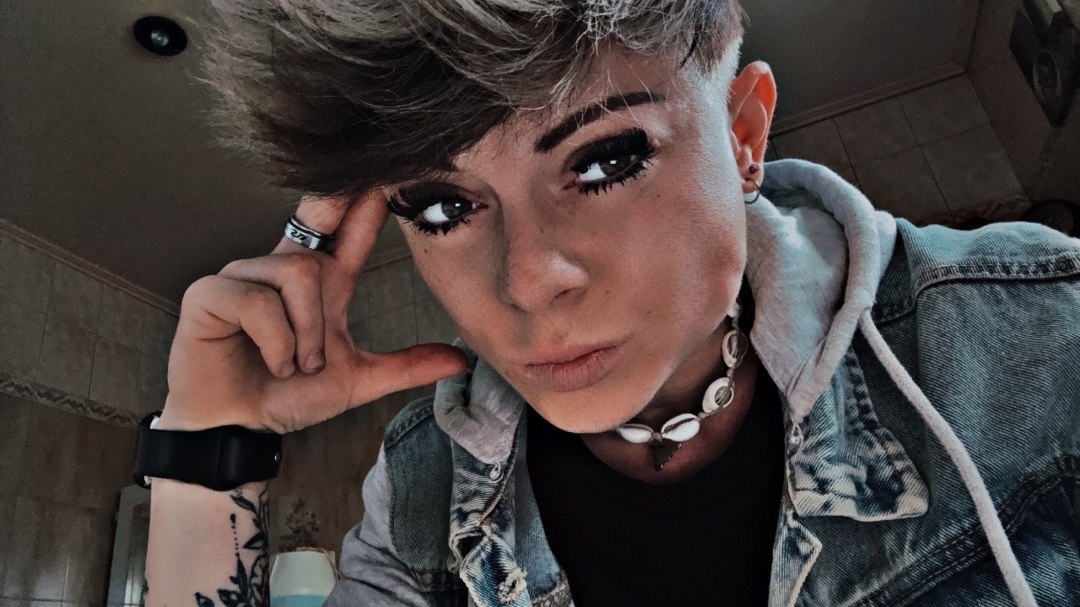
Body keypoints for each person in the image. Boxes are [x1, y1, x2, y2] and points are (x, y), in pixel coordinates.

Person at [144, 1, 1080, 606]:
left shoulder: (1040, 335)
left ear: (744, 135)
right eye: (442, 207)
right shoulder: (421, 493)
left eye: (604, 161)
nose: (527, 280)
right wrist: (208, 449)